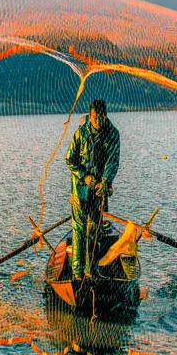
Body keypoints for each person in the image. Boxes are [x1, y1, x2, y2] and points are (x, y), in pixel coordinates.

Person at [66, 99, 120, 281]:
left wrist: (105, 181)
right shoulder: (80, 133)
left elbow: (113, 161)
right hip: (80, 190)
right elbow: (69, 160)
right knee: (79, 229)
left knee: (95, 230)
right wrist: (84, 176)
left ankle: (92, 271)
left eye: (101, 116)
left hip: (99, 191)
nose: (98, 120)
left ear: (105, 115)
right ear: (90, 116)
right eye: (95, 117)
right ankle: (77, 272)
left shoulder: (113, 134)